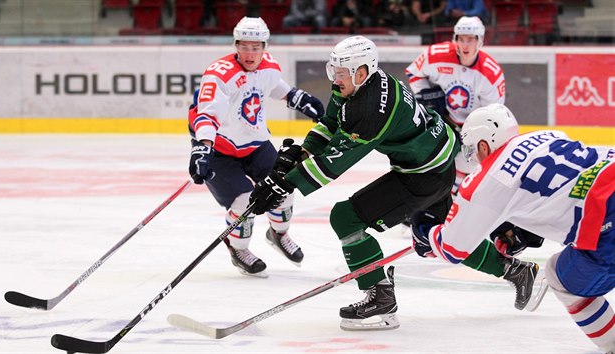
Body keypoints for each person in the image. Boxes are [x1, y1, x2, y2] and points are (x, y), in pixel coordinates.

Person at [248, 36, 540, 331]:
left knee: (346, 218)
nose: (334, 80)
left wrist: (285, 184)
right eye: (333, 72)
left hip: (422, 176)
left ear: (361, 72)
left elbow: (334, 162)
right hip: (436, 164)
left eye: (340, 73)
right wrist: (302, 152)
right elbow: (332, 122)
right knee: (438, 238)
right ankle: (515, 271)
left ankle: (380, 298)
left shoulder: (372, 109)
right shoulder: (359, 83)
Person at [411, 103, 615, 353]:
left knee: (560, 277)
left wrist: (426, 233)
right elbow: (568, 184)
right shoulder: (547, 135)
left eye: (473, 149)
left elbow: (453, 249)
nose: (473, 157)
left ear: (483, 145)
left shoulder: (486, 179)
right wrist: (527, 226)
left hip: (606, 217)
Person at [188, 17, 325, 277]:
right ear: (235, 44)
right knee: (243, 202)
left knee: (285, 188)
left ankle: (278, 234)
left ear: (265, 46)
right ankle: (238, 249)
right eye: (244, 46)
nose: (250, 53)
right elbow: (206, 115)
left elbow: (276, 87)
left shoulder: (269, 65)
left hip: (256, 143)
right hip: (220, 149)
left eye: (256, 47)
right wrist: (202, 147)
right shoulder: (218, 74)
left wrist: (297, 98)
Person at [405, 16, 503, 194]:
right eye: (461, 39)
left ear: (480, 41)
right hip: (441, 120)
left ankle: (454, 196)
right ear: (455, 39)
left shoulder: (491, 74)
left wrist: (475, 131)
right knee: (423, 159)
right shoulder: (436, 55)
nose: (465, 45)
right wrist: (428, 99)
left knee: (466, 165)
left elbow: (493, 114)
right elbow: (414, 73)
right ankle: (421, 202)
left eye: (471, 40)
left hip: (472, 127)